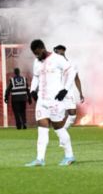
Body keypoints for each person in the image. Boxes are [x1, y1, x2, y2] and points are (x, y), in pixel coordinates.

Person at [25, 39, 77, 167]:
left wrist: (65, 89)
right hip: (42, 101)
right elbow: (36, 77)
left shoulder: (57, 58)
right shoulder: (36, 62)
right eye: (35, 54)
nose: (37, 56)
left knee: (58, 128)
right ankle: (39, 159)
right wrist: (32, 90)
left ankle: (69, 155)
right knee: (42, 129)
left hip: (55, 100)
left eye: (38, 53)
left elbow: (72, 72)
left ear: (43, 48)